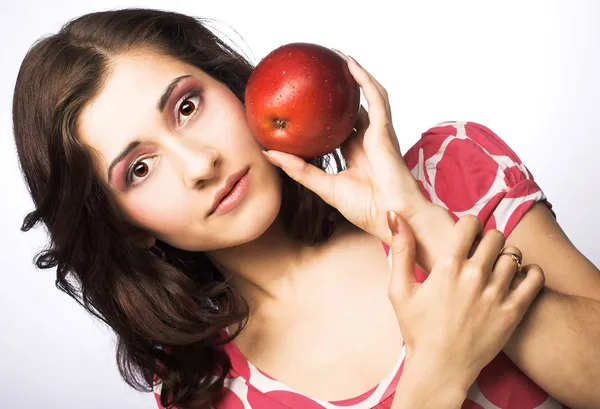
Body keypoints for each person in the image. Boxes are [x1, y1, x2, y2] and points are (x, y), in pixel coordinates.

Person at [11, 8, 600, 409]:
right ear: (123, 226)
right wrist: (436, 373)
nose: (199, 164)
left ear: (235, 86)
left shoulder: (453, 172)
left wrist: (420, 221)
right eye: (139, 169)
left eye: (187, 107)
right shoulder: (207, 392)